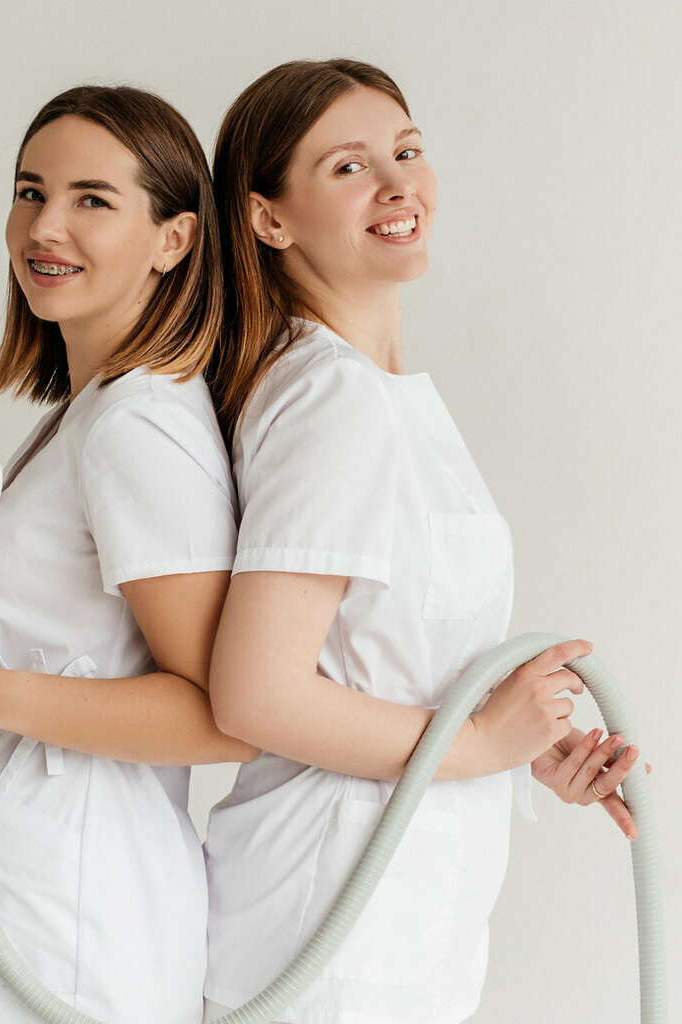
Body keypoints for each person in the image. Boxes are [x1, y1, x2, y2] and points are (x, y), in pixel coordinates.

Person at [202, 59, 643, 1024]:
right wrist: (478, 741)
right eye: (349, 167)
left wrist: (521, 740)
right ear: (268, 219)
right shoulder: (332, 399)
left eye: (406, 151)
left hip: (400, 919)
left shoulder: (378, 395)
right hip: (333, 929)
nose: (399, 185)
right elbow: (257, 692)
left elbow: (374, 654)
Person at [0, 85, 255, 1024]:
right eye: (30, 191)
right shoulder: (91, 413)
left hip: (76, 916)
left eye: (93, 198)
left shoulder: (139, 427)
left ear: (174, 239)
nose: (45, 226)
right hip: (30, 895)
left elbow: (227, 715)